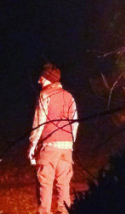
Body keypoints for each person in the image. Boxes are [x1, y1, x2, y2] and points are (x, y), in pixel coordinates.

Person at [28, 63, 78, 214]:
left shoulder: (44, 96)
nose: (39, 81)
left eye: (41, 78)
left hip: (49, 146)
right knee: (63, 185)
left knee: (45, 184)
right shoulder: (70, 97)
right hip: (66, 148)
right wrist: (70, 144)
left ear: (48, 78)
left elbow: (39, 123)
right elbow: (74, 124)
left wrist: (32, 146)